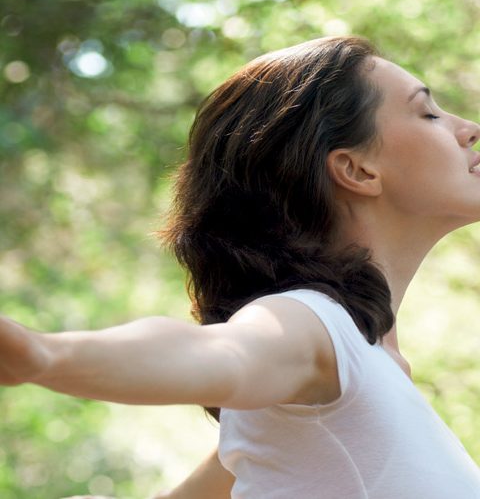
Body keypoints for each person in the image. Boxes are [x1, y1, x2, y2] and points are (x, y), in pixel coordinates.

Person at [2, 35, 480, 498]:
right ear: (356, 170)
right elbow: (223, 354)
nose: (468, 129)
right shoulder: (316, 326)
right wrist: (42, 356)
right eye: (428, 112)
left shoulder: (362, 369)